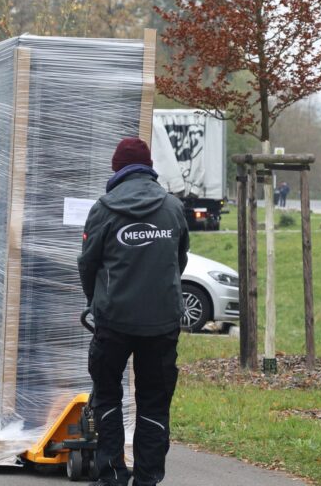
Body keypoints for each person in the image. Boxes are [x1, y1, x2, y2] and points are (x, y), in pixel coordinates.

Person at [78, 137, 190, 486]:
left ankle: (111, 475)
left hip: (113, 321)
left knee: (108, 394)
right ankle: (148, 479)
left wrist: (96, 302)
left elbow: (88, 264)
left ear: (117, 169)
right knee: (154, 403)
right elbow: (180, 258)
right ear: (148, 167)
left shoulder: (104, 208)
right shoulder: (172, 207)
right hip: (162, 324)